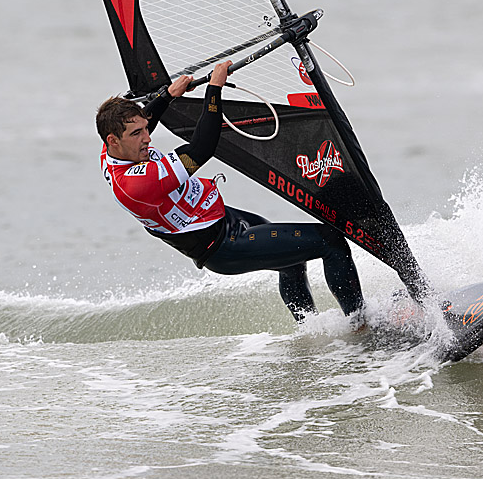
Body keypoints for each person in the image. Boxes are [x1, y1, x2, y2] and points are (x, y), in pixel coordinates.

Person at [96, 60, 371, 323]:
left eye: (145, 129)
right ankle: (361, 326)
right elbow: (202, 149)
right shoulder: (137, 183)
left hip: (222, 219)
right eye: (137, 134)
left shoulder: (112, 153)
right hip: (222, 246)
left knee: (292, 261)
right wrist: (214, 90)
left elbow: (144, 122)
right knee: (331, 241)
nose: (147, 138)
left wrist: (168, 95)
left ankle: (311, 330)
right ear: (114, 140)